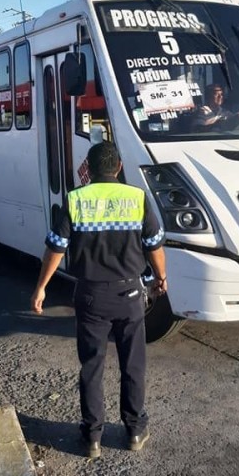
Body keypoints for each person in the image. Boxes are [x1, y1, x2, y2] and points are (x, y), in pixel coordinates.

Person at [30, 141, 167, 458]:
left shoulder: (76, 199)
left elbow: (56, 247)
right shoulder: (137, 198)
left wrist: (41, 287)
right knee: (132, 365)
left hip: (90, 294)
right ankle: (134, 430)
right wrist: (161, 278)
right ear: (119, 167)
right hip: (130, 292)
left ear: (88, 170)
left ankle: (92, 437)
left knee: (91, 367)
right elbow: (154, 246)